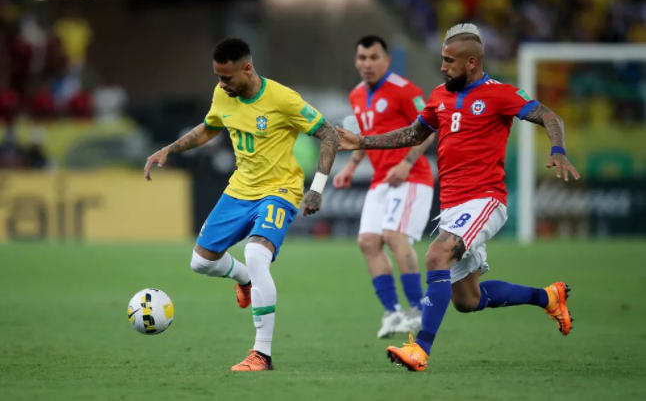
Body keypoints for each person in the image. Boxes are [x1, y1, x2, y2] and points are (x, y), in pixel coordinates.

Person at [337, 23, 580, 372]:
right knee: (467, 300)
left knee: (437, 255)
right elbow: (412, 133)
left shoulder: (500, 93)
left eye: (449, 61)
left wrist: (557, 149)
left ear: (472, 63)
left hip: (485, 200)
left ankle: (419, 350)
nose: (442, 66)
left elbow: (549, 116)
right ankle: (548, 297)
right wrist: (362, 142)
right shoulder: (439, 95)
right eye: (442, 59)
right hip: (452, 207)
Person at [144, 37, 339, 372]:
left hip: (280, 190)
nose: (222, 84)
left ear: (247, 68)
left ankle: (261, 353)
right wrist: (170, 149)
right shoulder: (223, 94)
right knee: (200, 262)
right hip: (239, 189)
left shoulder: (283, 99)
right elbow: (209, 128)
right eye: (218, 77)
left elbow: (330, 135)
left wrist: (317, 189)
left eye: (227, 77)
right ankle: (246, 280)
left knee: (256, 252)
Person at [333, 35, 436, 338]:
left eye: (373, 57)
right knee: (367, 242)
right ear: (356, 61)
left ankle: (417, 308)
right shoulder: (355, 95)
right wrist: (351, 166)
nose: (367, 63)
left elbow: (429, 129)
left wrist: (406, 162)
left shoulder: (405, 90)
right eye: (362, 58)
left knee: (393, 235)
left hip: (412, 176)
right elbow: (361, 137)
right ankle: (392, 312)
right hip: (380, 180)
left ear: (386, 60)